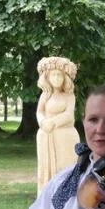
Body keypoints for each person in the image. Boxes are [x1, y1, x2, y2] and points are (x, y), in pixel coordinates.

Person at [36, 56, 80, 192]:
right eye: (53, 75)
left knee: (65, 168)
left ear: (65, 78)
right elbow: (39, 112)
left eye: (59, 75)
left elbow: (69, 115)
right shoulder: (45, 95)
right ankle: (46, 196)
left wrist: (53, 122)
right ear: (47, 77)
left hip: (65, 136)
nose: (56, 78)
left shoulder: (69, 96)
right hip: (46, 135)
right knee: (46, 170)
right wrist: (43, 122)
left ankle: (65, 196)